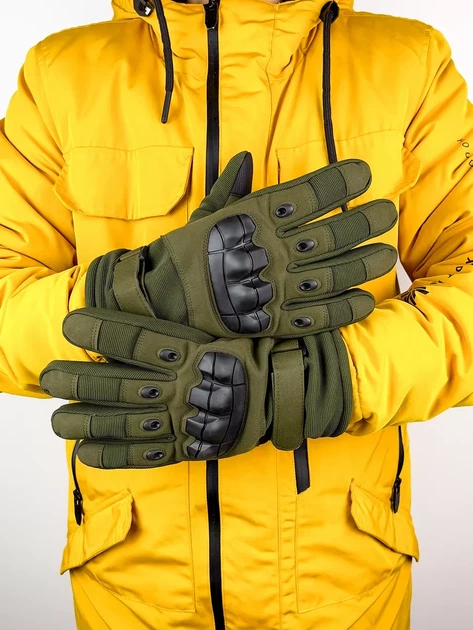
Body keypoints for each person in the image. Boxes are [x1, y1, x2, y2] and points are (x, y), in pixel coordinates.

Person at [1, 0, 472, 628]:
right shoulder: (64, 74)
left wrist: (329, 380)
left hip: (343, 580)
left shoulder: (406, 64)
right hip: (133, 578)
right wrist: (138, 294)